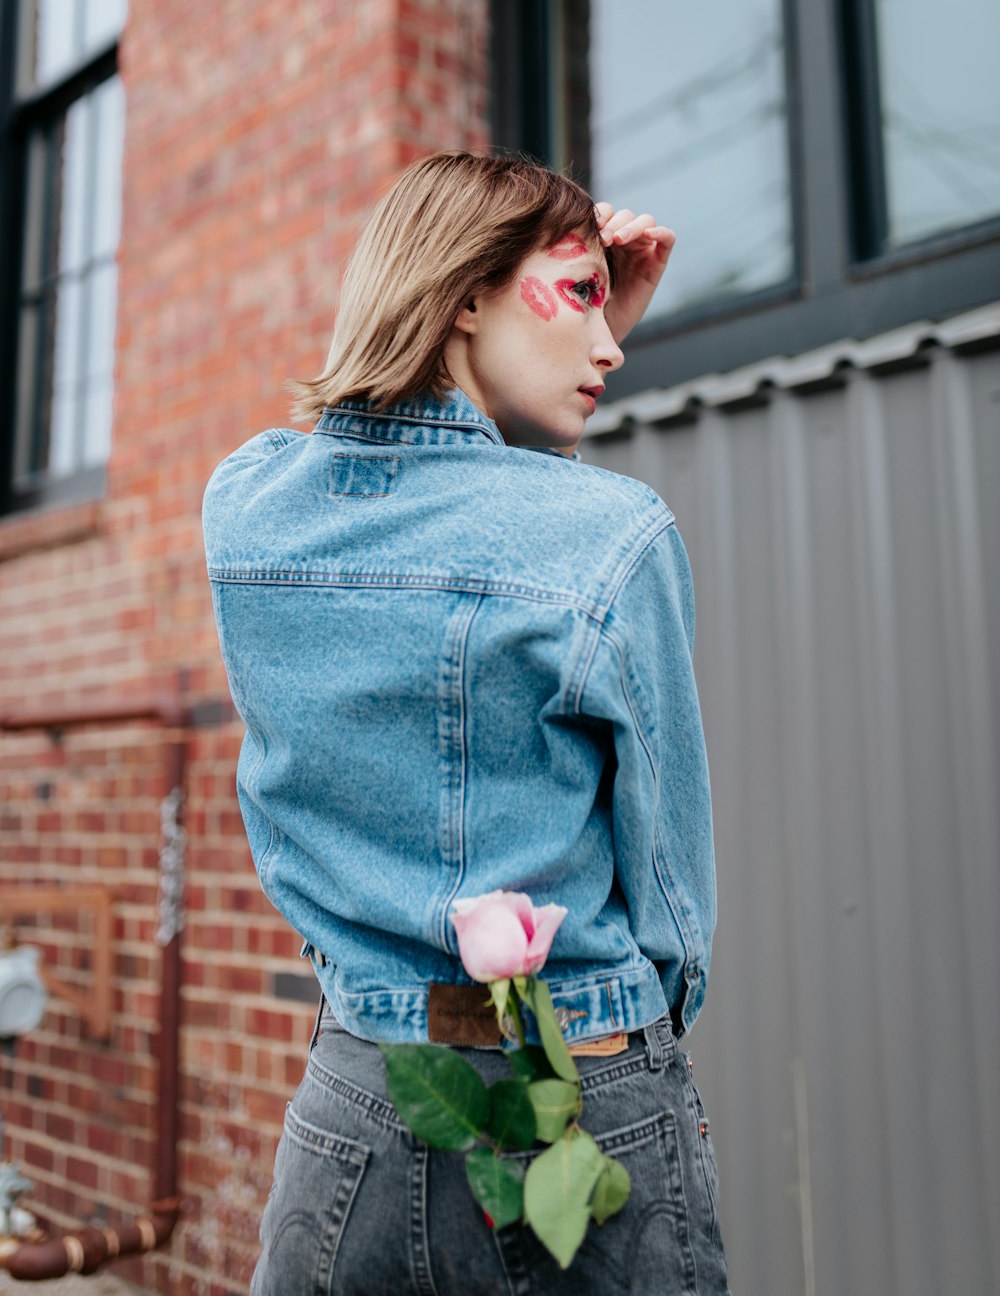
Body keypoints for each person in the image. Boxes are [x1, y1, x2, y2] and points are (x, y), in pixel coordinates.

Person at [202, 151, 729, 1294]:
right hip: (584, 1092)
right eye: (582, 293)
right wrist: (624, 1038)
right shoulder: (611, 533)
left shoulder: (245, 506)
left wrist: (550, 344)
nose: (613, 344)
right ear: (466, 293)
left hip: (358, 1101)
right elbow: (672, 907)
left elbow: (397, 488)